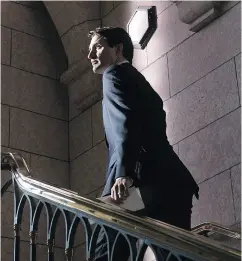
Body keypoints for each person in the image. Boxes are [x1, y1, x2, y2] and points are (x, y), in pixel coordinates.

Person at [87, 26, 199, 261]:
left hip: (143, 183)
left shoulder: (113, 75)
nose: (90, 56)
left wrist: (123, 174)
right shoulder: (138, 80)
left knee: (103, 238)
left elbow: (125, 124)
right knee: (174, 256)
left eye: (97, 47)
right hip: (175, 184)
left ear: (117, 49)